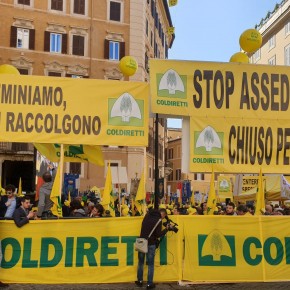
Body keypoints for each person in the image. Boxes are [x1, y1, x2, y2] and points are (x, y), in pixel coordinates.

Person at [135, 208, 167, 289]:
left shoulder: (147, 215)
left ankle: (140, 281)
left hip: (141, 241)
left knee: (140, 263)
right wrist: (166, 229)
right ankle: (149, 284)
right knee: (151, 264)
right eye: (164, 217)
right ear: (162, 214)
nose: (163, 218)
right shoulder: (159, 220)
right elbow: (158, 234)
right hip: (151, 243)